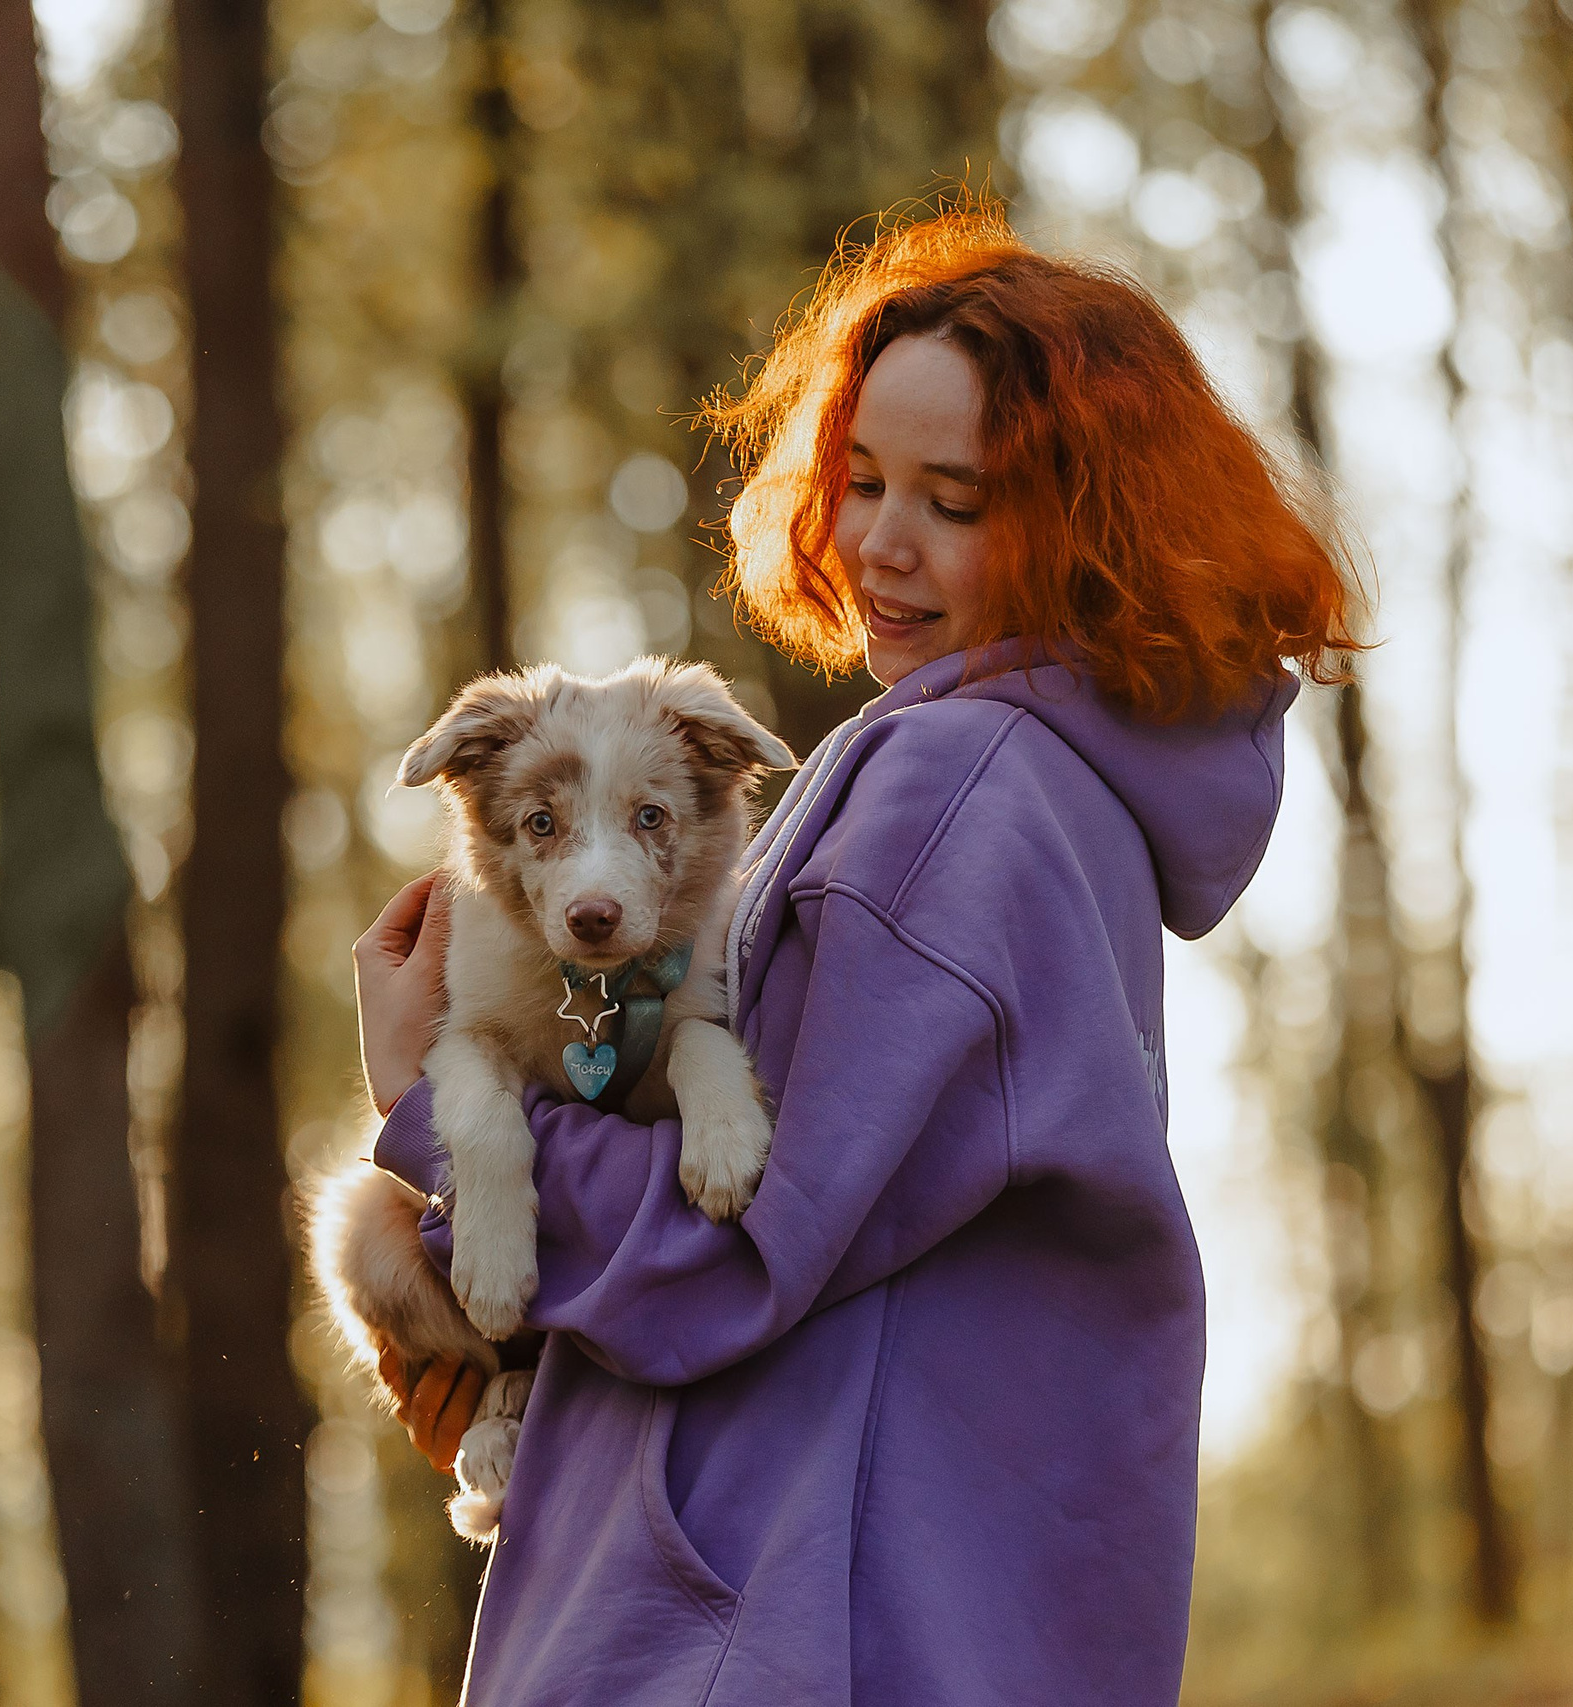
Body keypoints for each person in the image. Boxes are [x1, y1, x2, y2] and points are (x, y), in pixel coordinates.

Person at [352, 200, 1360, 1705]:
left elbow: (742, 1241)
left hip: (782, 1632)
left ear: (1087, 525)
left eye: (955, 501)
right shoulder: (1059, 799)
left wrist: (423, 1097)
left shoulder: (955, 792)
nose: (881, 543)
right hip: (923, 1614)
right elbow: (841, 1242)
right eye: (864, 478)